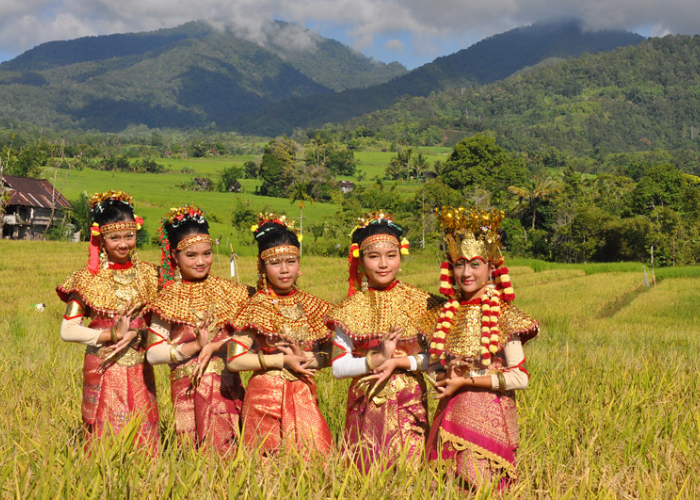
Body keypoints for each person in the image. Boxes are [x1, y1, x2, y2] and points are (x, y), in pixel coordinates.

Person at [426, 206, 539, 491]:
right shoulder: (444, 314)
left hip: (491, 425)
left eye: (475, 263)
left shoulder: (504, 315)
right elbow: (434, 368)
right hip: (449, 418)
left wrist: (468, 380)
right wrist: (448, 373)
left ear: (491, 267)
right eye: (459, 263)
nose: (466, 272)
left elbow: (520, 377)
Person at [327, 212, 442, 471]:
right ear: (360, 259)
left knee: (410, 475)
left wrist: (400, 362)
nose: (383, 264)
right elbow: (337, 367)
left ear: (401, 256)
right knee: (363, 476)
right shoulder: (348, 309)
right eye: (373, 256)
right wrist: (376, 359)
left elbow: (436, 358)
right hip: (365, 403)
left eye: (391, 256)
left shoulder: (424, 303)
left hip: (409, 404)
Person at [56, 190, 160, 448]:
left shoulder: (150, 275)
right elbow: (68, 330)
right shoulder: (86, 279)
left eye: (129, 236)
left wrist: (137, 334)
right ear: (101, 238)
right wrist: (110, 335)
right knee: (105, 439)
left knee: (144, 437)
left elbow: (159, 327)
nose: (123, 244)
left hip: (139, 367)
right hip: (104, 365)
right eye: (114, 238)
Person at [145, 205, 251, 453]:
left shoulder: (234, 292)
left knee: (231, 456)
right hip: (187, 390)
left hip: (228, 387)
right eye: (191, 255)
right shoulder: (167, 298)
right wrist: (195, 346)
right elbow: (152, 353)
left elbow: (251, 341)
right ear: (174, 256)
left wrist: (217, 346)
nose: (201, 262)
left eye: (207, 253)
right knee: (192, 457)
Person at [227, 214, 333, 457]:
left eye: (291, 261)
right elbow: (234, 360)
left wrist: (307, 359)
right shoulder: (256, 305)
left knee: (314, 464)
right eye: (275, 263)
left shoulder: (314, 306)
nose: (284, 270)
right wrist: (281, 361)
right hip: (264, 399)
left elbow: (333, 354)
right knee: (266, 474)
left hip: (304, 393)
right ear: (262, 267)